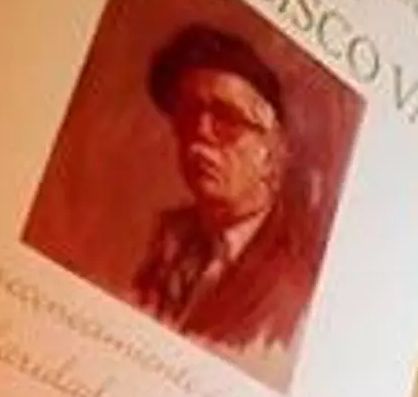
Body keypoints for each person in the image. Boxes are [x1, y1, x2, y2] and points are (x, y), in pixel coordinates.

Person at [134, 24, 316, 355]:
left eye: (227, 118)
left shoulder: (298, 280)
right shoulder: (167, 243)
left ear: (271, 151)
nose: (200, 132)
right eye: (188, 115)